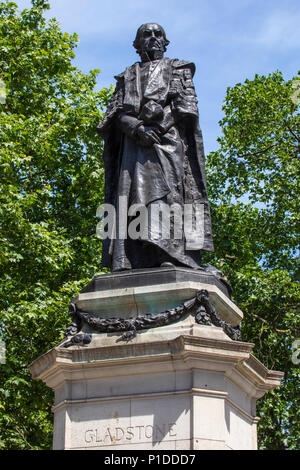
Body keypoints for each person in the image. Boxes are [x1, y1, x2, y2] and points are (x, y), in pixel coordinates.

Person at [96, 23, 214, 271]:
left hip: (167, 145)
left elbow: (186, 107)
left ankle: (169, 254)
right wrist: (138, 130)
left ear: (165, 41)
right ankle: (131, 258)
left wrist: (157, 130)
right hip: (134, 148)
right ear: (136, 45)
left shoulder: (178, 69)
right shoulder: (126, 76)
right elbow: (115, 114)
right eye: (146, 35)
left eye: (157, 34)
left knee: (170, 197)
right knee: (130, 200)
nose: (152, 39)